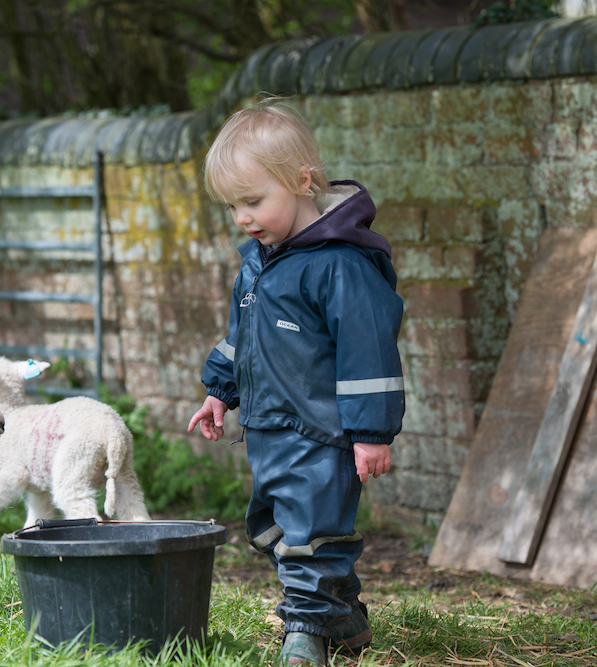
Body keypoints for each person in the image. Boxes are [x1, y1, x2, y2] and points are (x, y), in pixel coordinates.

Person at [187, 100, 405, 666]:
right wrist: (220, 391)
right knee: (273, 530)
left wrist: (370, 432)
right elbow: (243, 337)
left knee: (309, 536)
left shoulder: (341, 266)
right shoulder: (259, 263)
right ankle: (347, 620)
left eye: (254, 201)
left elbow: (369, 352)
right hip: (267, 429)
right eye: (233, 206)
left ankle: (304, 635)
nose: (242, 217)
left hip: (323, 431)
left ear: (303, 181)